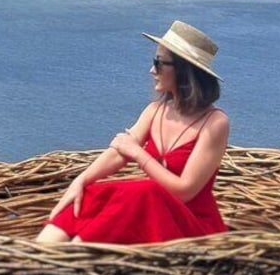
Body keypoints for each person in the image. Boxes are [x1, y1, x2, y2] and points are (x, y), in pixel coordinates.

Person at [36, 20, 230, 244]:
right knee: (96, 192)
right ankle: (42, 251)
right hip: (154, 214)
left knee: (144, 190)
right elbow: (119, 152)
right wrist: (82, 180)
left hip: (192, 228)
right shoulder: (154, 111)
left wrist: (138, 153)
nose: (151, 70)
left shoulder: (215, 123)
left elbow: (185, 191)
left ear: (184, 71)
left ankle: (76, 253)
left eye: (158, 63)